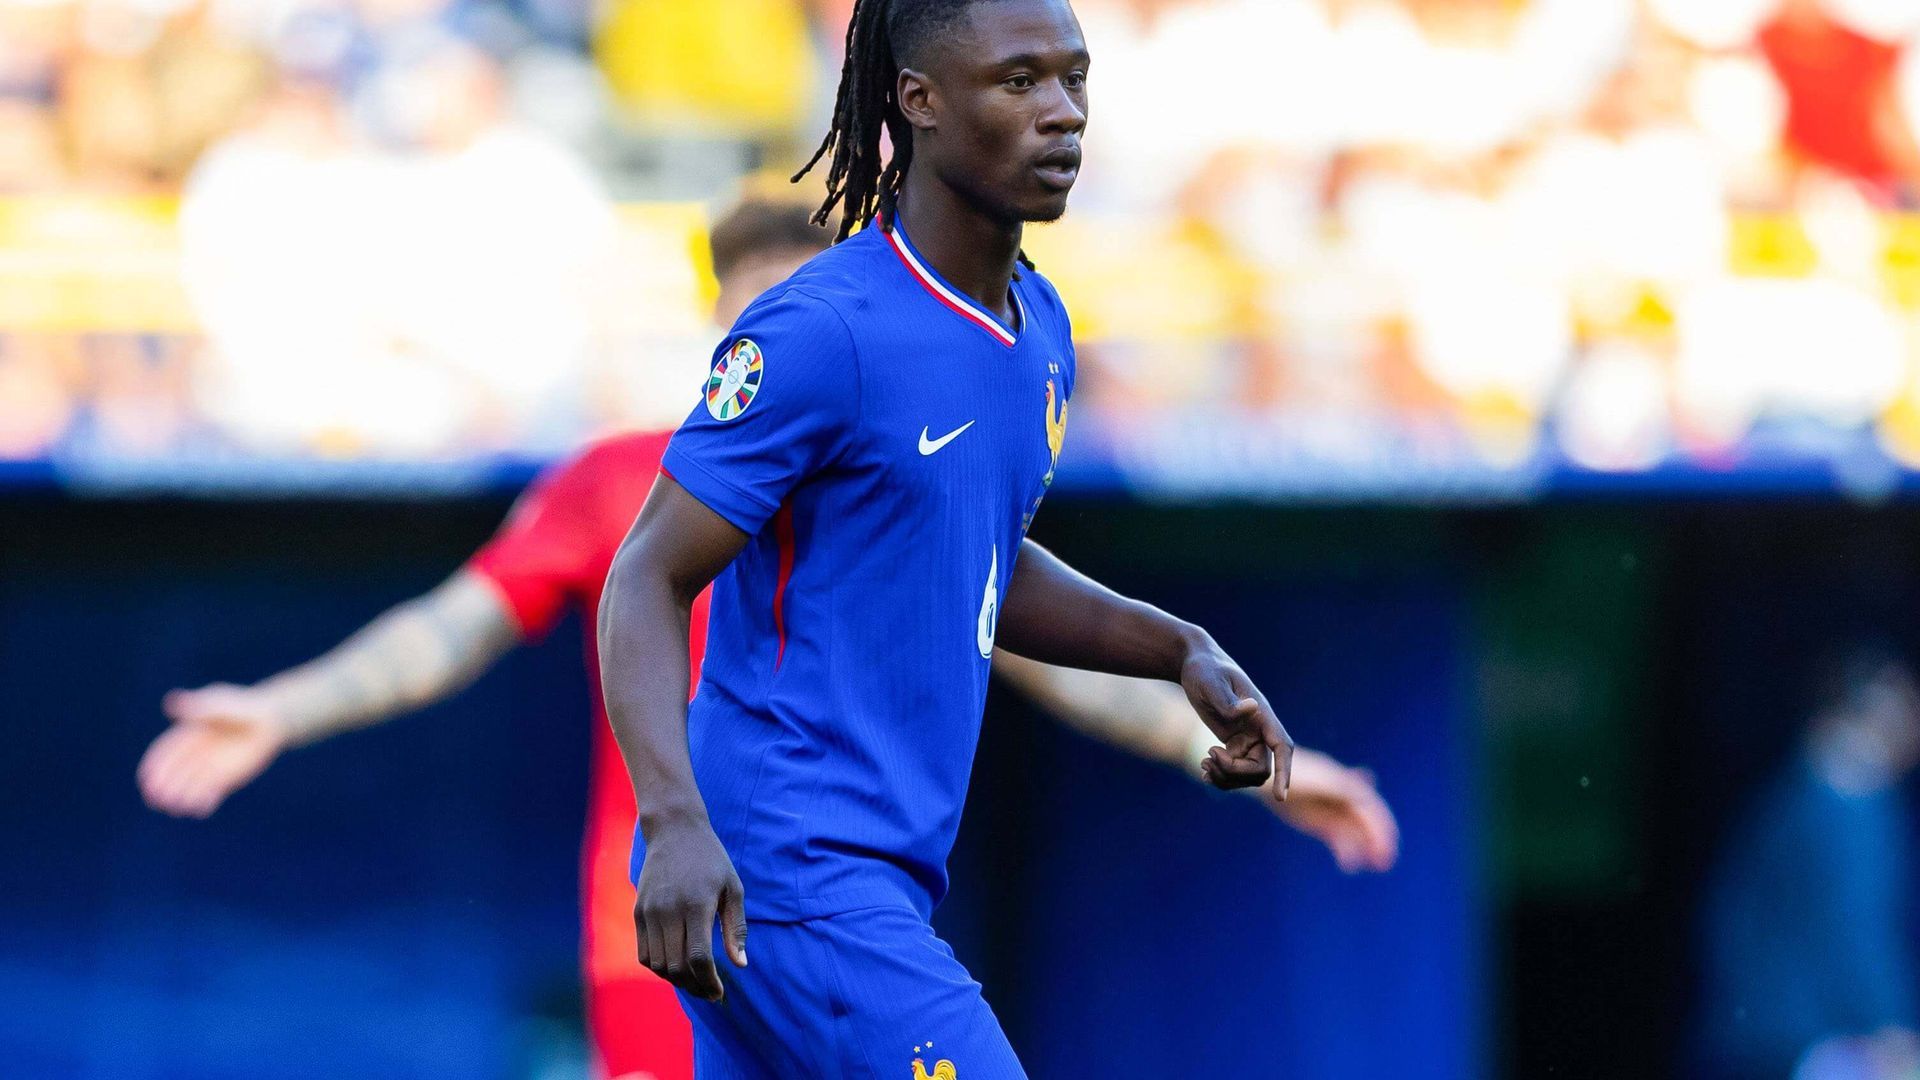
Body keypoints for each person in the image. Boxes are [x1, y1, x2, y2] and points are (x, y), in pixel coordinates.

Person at [139, 195, 1397, 1080]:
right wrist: (281, 708)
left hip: (836, 898)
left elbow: (1042, 652)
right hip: (671, 924)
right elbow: (450, 629)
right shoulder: (627, 485)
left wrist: (1247, 763)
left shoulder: (891, 477)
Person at [599, 1, 1307, 1074]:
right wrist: (673, 823)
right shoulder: (823, 331)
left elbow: (973, 554)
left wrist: (1177, 647)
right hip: (786, 868)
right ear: (918, 101)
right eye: (1019, 82)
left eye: (1074, 78)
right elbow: (645, 575)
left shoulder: (1042, 329)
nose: (1063, 112)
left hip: (871, 875)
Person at [1695, 644, 1920, 1080]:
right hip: (1811, 1040)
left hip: (1756, 1030)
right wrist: (1888, 1023)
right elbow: (1855, 925)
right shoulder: (1848, 797)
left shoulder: (1789, 793)